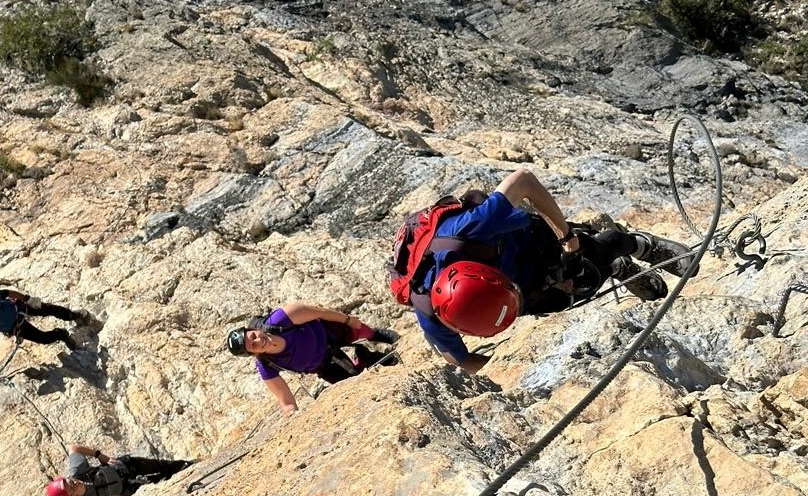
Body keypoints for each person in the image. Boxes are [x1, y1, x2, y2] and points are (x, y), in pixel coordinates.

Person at [389, 168, 695, 373]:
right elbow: (459, 359)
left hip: (523, 242)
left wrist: (566, 238)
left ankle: (638, 245)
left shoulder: (473, 229)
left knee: (586, 260)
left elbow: (523, 180)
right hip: (504, 280)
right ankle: (617, 269)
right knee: (569, 295)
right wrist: (506, 372)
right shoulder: (429, 308)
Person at [225, 303, 400, 415]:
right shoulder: (266, 365)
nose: (258, 340)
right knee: (355, 380)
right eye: (253, 345)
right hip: (324, 365)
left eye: (253, 335)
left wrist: (348, 320)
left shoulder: (279, 319)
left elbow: (319, 312)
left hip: (330, 333)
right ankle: (364, 357)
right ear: (253, 354)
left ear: (252, 329)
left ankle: (375, 334)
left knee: (358, 331)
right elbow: (286, 401)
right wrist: (293, 416)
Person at [45, 444, 194, 496]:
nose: (72, 482)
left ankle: (190, 467)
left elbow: (73, 448)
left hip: (126, 466)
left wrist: (99, 455)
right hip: (131, 489)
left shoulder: (77, 471)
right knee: (162, 483)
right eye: (69, 487)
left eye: (67, 480)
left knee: (163, 466)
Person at [0, 288, 92, 375]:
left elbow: (6, 292)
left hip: (19, 307)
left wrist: (28, 299)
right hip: (15, 326)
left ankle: (74, 315)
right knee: (42, 338)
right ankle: (62, 334)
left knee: (48, 309)